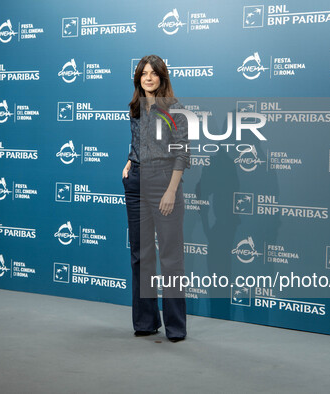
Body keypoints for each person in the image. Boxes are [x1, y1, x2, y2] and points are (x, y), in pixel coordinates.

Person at [122, 55, 189, 342]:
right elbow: (138, 142)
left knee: (170, 258)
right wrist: (128, 162)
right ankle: (146, 321)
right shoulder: (136, 108)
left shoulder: (175, 109)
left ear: (162, 77)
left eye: (153, 73)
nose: (148, 78)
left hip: (163, 181)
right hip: (136, 181)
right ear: (138, 78)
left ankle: (176, 327)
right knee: (141, 256)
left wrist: (172, 190)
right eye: (143, 73)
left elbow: (182, 153)